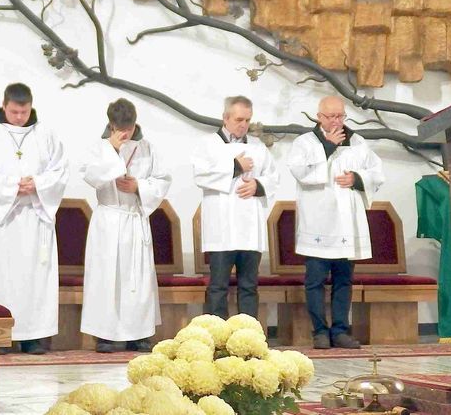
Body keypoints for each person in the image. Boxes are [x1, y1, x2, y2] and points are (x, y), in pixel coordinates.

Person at [0, 83, 69, 355]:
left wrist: (37, 184)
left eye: (24, 112)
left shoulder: (45, 134)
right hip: (1, 220)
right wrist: (13, 186)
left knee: (34, 279)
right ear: (4, 106)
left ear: (31, 107)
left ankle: (33, 337)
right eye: (14, 112)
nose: (19, 117)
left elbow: (60, 171)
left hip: (34, 217)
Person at [287, 95, 384, 349]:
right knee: (315, 281)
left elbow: (376, 172)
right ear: (319, 116)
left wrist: (357, 178)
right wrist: (328, 147)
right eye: (330, 116)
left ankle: (340, 330)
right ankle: (319, 331)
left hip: (347, 223)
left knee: (344, 280)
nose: (336, 121)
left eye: (340, 116)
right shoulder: (305, 143)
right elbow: (300, 172)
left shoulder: (358, 142)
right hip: (318, 221)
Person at [80, 99, 171, 353]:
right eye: (121, 129)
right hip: (109, 220)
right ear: (111, 124)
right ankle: (105, 335)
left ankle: (138, 335)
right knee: (106, 278)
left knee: (136, 281)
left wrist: (138, 186)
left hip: (134, 218)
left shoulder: (147, 148)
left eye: (129, 129)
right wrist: (112, 150)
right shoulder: (99, 147)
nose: (126, 134)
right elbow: (91, 176)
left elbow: (163, 180)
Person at [192, 95, 279, 321]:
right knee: (218, 286)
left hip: (250, 227)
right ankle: (216, 334)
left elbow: (274, 177)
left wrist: (258, 185)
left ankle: (248, 333)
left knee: (249, 286)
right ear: (225, 118)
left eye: (247, 120)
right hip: (222, 228)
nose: (243, 125)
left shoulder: (258, 147)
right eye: (239, 119)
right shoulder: (208, 144)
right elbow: (200, 175)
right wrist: (235, 167)